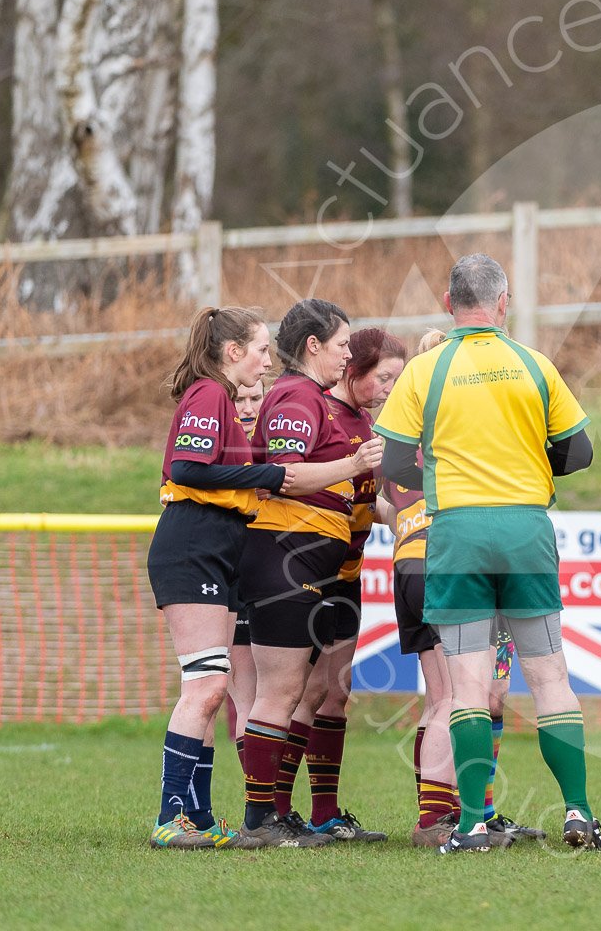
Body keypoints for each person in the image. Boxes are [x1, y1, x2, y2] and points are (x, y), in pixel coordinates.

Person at [375, 253, 601, 854]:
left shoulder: (426, 369)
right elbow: (579, 452)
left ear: (449, 305)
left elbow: (395, 464)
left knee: (469, 686)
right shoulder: (534, 363)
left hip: (457, 533)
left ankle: (473, 823)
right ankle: (579, 814)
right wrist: (530, 462)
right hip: (526, 528)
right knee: (551, 676)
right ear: (504, 304)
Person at [382, 329, 544, 849]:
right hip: (454, 562)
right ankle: (438, 818)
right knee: (458, 698)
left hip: (415, 561)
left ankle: (473, 811)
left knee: (480, 697)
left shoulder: (408, 429)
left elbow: (388, 502)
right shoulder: (470, 421)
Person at [237, 298, 383, 848]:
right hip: (284, 552)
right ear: (312, 346)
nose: (348, 354)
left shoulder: (313, 397)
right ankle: (261, 820)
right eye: (342, 344)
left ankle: (279, 815)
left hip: (309, 557)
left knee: (302, 686)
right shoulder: (296, 396)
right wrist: (354, 464)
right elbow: (285, 474)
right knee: (280, 690)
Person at [147, 306, 285, 850]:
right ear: (233, 353)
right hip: (193, 547)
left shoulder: (219, 398)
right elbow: (187, 468)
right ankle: (170, 817)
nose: (268, 362)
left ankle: (199, 819)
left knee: (212, 686)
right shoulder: (209, 393)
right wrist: (266, 472)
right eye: (261, 350)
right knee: (205, 688)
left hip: (214, 547)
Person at [266, 327, 406, 843]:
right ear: (355, 371)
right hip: (306, 570)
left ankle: (324, 813)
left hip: (348, 574)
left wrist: (405, 518)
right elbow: (290, 477)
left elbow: (368, 502)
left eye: (398, 378)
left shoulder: (367, 423)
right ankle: (275, 811)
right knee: (298, 691)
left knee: (334, 693)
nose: (391, 387)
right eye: (383, 377)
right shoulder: (318, 410)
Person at [227, 377, 264, 767]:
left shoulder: (275, 444)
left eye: (256, 397)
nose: (248, 407)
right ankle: (260, 808)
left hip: (277, 579)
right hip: (236, 581)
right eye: (240, 399)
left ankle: (272, 807)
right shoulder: (223, 449)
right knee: (247, 698)